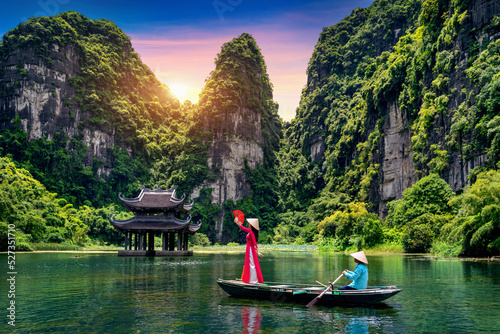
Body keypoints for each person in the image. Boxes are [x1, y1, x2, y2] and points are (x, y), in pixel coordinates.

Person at [233, 210, 264, 284]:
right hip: (249, 250)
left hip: (251, 250)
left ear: (252, 225)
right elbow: (242, 228)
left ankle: (253, 280)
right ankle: (251, 280)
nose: (249, 224)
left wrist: (258, 252)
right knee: (250, 264)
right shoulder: (250, 231)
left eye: (250, 223)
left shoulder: (252, 233)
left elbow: (254, 243)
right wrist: (237, 222)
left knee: (252, 264)